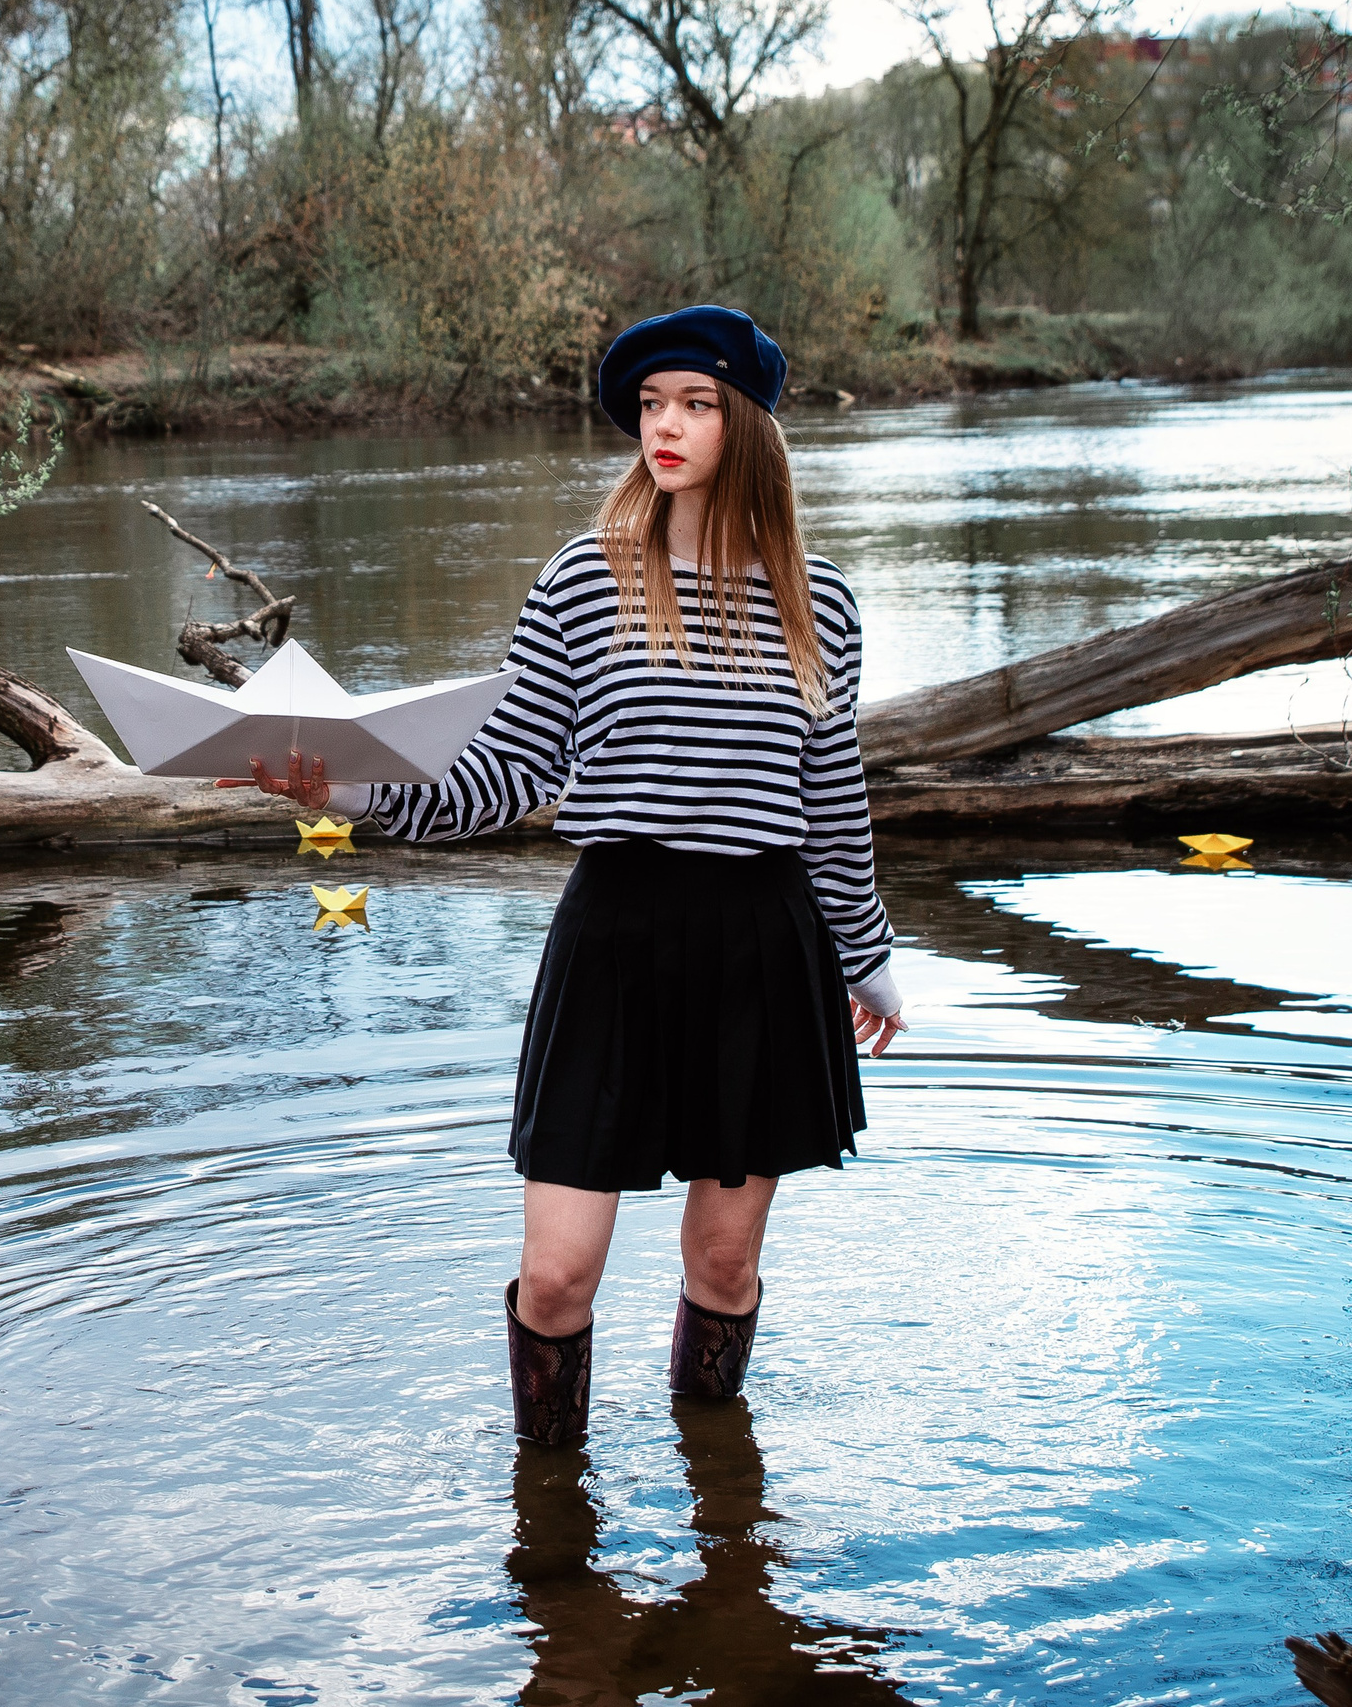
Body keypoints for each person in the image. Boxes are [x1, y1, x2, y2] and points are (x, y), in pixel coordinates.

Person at [228, 304, 907, 1445]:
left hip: (760, 941)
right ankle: (553, 1522)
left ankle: (717, 1503)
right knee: (555, 1274)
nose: (666, 426)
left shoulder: (818, 597)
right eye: (649, 405)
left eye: (693, 402)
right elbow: (499, 771)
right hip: (617, 940)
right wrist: (338, 792)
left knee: (725, 1257)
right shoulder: (586, 580)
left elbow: (832, 800)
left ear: (745, 423)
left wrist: (869, 956)